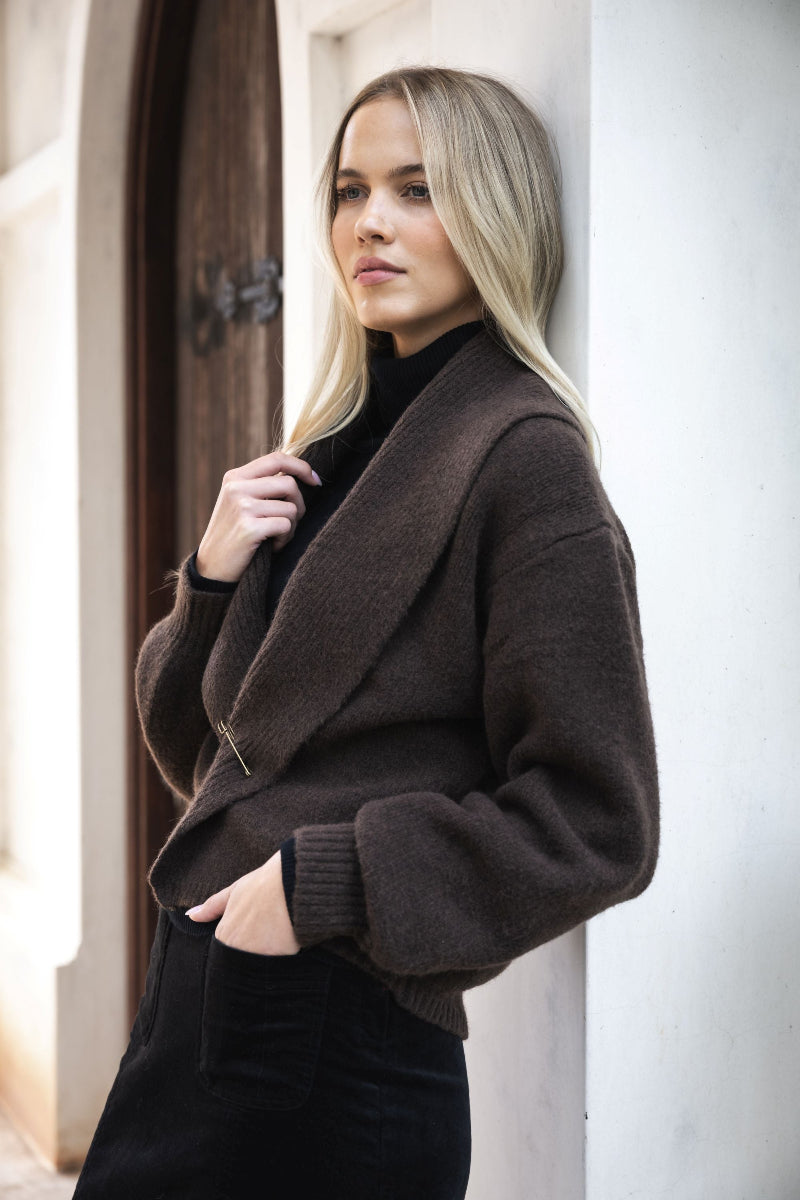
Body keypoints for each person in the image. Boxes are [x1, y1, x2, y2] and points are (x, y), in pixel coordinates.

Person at [73, 66, 659, 1199]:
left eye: (416, 189)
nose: (368, 223)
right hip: (208, 995)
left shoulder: (523, 459)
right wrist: (206, 576)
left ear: (492, 212)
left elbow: (600, 818)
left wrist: (322, 883)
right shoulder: (330, 450)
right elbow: (205, 757)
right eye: (348, 191)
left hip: (338, 1031)